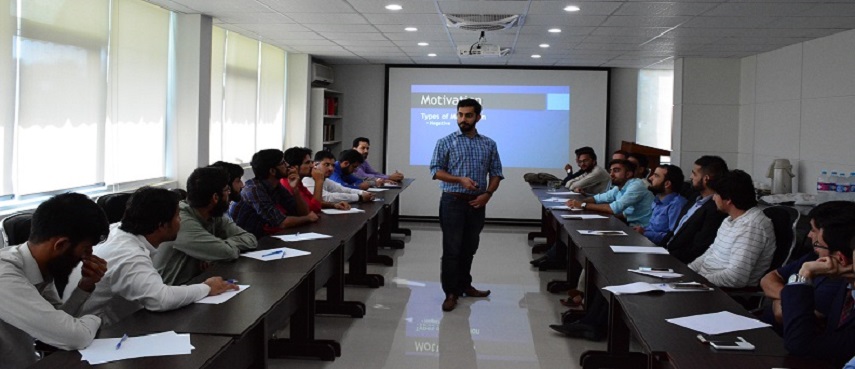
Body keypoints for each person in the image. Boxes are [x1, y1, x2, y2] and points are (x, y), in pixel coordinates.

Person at [79, 187, 238, 326]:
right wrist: (208, 287)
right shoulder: (129, 255)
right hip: (99, 334)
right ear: (162, 225)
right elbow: (161, 299)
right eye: (177, 216)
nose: (180, 221)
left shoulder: (117, 231)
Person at [0, 193, 110, 369]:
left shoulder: (41, 266)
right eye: (85, 250)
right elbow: (74, 337)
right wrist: (95, 319)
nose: (87, 258)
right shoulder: (5, 276)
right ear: (60, 245)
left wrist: (85, 287)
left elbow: (57, 322)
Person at [430, 98, 503, 312]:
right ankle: (451, 292)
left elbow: (497, 173)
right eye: (460, 115)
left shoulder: (489, 143)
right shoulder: (445, 141)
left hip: (477, 203)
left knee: (470, 247)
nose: (463, 119)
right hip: (452, 201)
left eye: (468, 115)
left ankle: (465, 285)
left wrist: (488, 194)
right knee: (452, 249)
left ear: (478, 117)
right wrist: (459, 179)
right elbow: (436, 171)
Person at [759, 201, 855, 330]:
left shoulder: (840, 283)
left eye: (813, 230)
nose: (809, 235)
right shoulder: (815, 255)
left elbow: (781, 314)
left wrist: (783, 296)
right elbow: (768, 279)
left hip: (784, 341)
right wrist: (788, 296)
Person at [156, 167, 258, 285]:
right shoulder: (179, 219)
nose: (229, 193)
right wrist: (217, 249)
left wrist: (215, 248)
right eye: (226, 190)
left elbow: (250, 239)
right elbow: (227, 253)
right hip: (172, 294)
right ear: (215, 198)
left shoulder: (214, 214)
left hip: (198, 285)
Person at [781, 225, 855, 366]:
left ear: (840, 258)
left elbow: (799, 343)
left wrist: (803, 275)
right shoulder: (846, 286)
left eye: (818, 245)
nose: (809, 235)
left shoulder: (836, 286)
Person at [688, 169, 776, 288]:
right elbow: (710, 253)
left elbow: (736, 278)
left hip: (723, 293)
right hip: (705, 283)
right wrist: (687, 273)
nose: (713, 198)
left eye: (716, 194)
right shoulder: (729, 220)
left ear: (728, 199)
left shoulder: (752, 226)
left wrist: (698, 281)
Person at [229, 149, 319, 238]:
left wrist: (295, 190)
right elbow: (281, 223)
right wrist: (308, 218)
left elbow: (303, 213)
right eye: (283, 163)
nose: (287, 165)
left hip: (262, 238)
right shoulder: (254, 190)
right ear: (272, 171)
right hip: (245, 241)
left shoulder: (276, 186)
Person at [664, 156, 729, 263]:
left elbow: (698, 248)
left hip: (680, 261)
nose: (690, 177)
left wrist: (668, 257)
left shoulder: (715, 210)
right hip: (665, 252)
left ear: (706, 179)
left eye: (694, 174)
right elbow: (675, 232)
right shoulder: (693, 197)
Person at [566, 159, 654, 227]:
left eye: (616, 171)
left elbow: (614, 208)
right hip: (629, 225)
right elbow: (598, 198)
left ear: (628, 174)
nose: (611, 174)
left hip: (644, 230)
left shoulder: (636, 185)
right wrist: (577, 202)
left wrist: (582, 205)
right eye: (610, 171)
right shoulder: (618, 187)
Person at [281, 146, 349, 212]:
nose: (312, 166)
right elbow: (315, 208)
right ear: (294, 167)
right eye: (307, 163)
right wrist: (319, 181)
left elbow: (310, 200)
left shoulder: (298, 181)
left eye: (311, 162)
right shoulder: (288, 184)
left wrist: (333, 205)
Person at [633, 164, 687, 246]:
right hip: (648, 243)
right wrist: (642, 230)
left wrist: (644, 233)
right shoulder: (657, 199)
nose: (650, 178)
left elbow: (673, 236)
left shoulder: (677, 204)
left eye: (656, 176)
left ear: (667, 184)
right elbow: (653, 228)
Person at [303, 150, 375, 204]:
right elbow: (327, 197)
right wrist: (359, 197)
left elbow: (342, 189)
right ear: (315, 165)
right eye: (326, 165)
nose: (331, 169)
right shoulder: (307, 179)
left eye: (333, 165)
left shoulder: (325, 180)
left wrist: (363, 193)